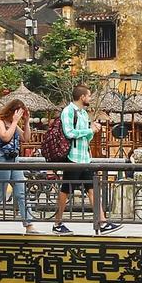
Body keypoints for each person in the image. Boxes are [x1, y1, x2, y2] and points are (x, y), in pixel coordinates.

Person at [51, 84, 118, 235]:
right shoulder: (68, 111)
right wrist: (89, 129)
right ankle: (57, 223)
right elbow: (69, 133)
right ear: (82, 97)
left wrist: (92, 129)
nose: (90, 98)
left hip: (84, 157)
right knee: (65, 191)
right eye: (88, 96)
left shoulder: (83, 113)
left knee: (92, 189)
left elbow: (86, 137)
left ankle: (102, 221)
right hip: (73, 158)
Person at [0, 99, 35, 233]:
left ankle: (29, 224)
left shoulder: (13, 124)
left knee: (21, 191)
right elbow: (5, 137)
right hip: (2, 158)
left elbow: (25, 138)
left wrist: (25, 122)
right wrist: (14, 121)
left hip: (14, 159)